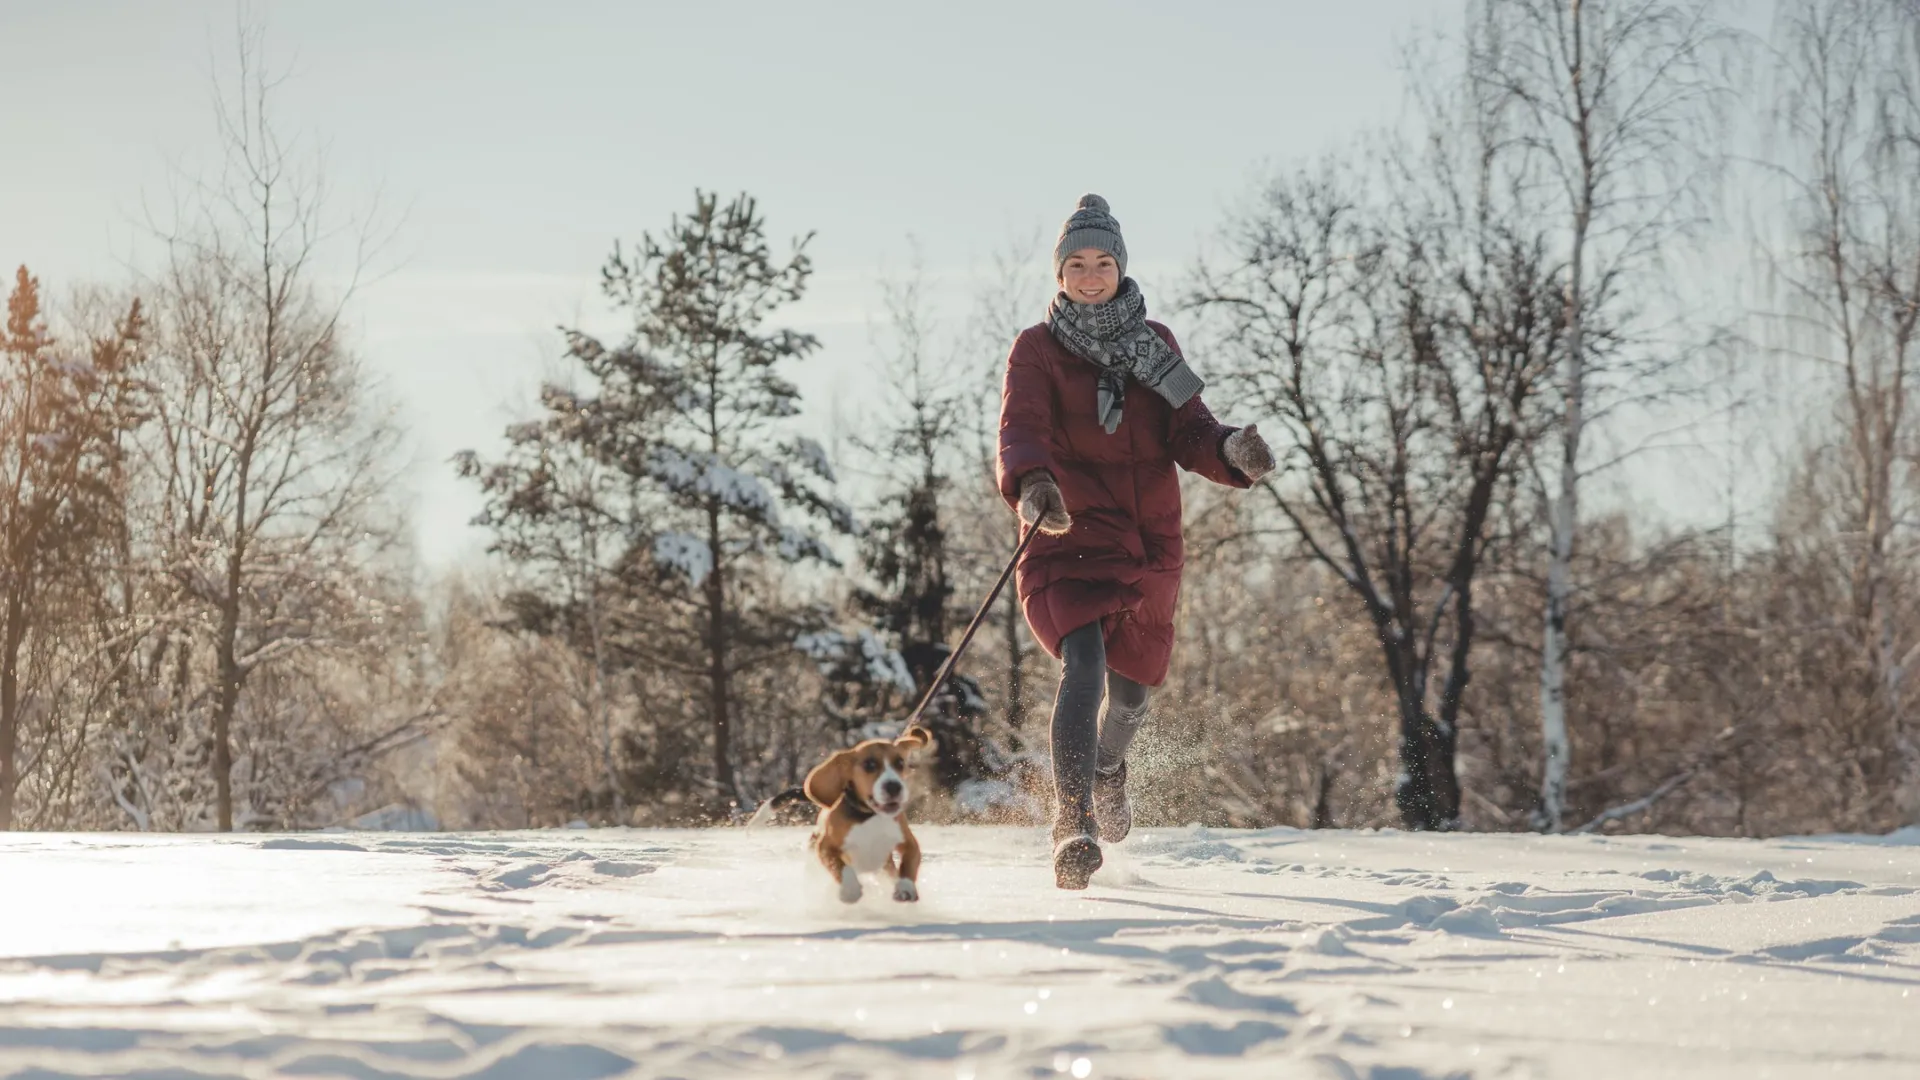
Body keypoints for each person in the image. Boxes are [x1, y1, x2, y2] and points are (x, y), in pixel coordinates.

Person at [998, 193, 1275, 890]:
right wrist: (1034, 485)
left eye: (1103, 263)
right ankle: (1074, 821)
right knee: (1082, 663)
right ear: (1059, 274)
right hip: (1065, 532)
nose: (1091, 276)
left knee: (1130, 697)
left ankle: (1109, 768)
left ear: (1121, 268)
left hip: (1147, 545)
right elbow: (1021, 427)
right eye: (1077, 265)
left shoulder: (1156, 345)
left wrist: (1230, 452)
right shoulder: (1036, 349)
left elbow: (1190, 430)